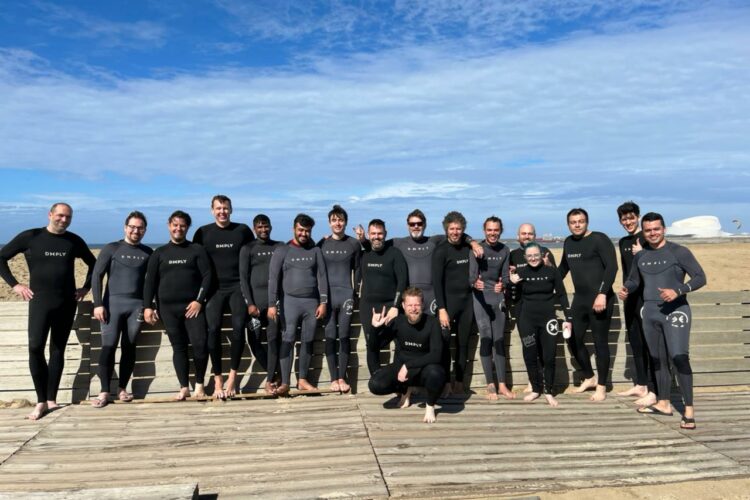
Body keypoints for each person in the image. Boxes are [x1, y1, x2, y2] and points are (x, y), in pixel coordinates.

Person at [0, 203, 96, 420]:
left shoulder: (74, 240)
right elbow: (1, 258)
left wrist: (86, 287)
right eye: (60, 215)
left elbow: (93, 263)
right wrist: (15, 285)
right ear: (50, 214)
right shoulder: (30, 236)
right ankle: (40, 400)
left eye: (68, 217)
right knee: (35, 347)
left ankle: (51, 399)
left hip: (66, 302)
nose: (64, 220)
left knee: (58, 349)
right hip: (40, 300)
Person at [619, 213, 706, 430]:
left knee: (679, 358)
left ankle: (689, 411)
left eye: (656, 229)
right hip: (650, 312)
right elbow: (634, 280)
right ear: (644, 231)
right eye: (648, 230)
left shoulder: (679, 251)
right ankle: (664, 403)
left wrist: (678, 290)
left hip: (676, 311)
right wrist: (626, 289)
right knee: (657, 359)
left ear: (664, 229)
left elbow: (700, 277)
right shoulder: (641, 255)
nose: (652, 233)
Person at [143, 211, 211, 401]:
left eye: (182, 225)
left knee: (199, 345)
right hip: (168, 309)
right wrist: (147, 306)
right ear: (168, 225)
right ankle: (183, 387)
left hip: (192, 308)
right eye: (175, 225)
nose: (178, 228)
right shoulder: (159, 253)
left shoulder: (196, 249)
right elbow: (150, 282)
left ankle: (199, 385)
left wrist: (199, 300)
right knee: (179, 347)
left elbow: (207, 276)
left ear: (187, 227)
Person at [193, 195, 256, 399]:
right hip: (214, 290)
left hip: (237, 288)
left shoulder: (243, 230)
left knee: (238, 329)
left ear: (231, 209)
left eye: (226, 208)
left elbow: (257, 254)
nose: (222, 211)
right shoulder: (203, 232)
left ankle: (232, 377)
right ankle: (218, 378)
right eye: (218, 208)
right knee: (213, 331)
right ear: (212, 210)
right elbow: (191, 257)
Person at [90, 211, 153, 407]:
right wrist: (98, 303)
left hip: (136, 306)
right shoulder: (112, 248)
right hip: (112, 305)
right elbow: (96, 276)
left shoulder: (148, 252)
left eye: (140, 228)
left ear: (144, 230)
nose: (136, 230)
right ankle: (104, 391)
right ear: (125, 227)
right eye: (132, 227)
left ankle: (122, 388)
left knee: (129, 347)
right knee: (108, 347)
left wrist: (151, 305)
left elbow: (152, 283)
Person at [558, 208, 618, 401]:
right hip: (580, 300)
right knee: (572, 337)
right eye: (573, 222)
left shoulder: (599, 239)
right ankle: (589, 377)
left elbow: (612, 267)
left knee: (600, 343)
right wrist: (545, 280)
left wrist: (602, 294)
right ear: (568, 224)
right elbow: (563, 269)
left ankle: (602, 386)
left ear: (587, 222)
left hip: (600, 300)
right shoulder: (568, 242)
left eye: (581, 221)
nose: (577, 224)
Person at [267, 214, 328, 395]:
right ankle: (285, 382)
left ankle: (302, 380)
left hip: (311, 303)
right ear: (294, 228)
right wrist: (272, 304)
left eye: (307, 231)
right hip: (289, 302)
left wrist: (323, 302)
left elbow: (322, 278)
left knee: (308, 341)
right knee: (288, 340)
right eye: (301, 230)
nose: (304, 233)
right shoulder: (282, 250)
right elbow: (273, 279)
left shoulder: (316, 251)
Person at [368, 287, 446, 423]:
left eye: (417, 304)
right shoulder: (398, 322)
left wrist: (408, 366)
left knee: (436, 373)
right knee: (375, 384)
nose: (413, 308)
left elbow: (436, 355)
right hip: (402, 373)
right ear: (403, 305)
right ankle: (405, 390)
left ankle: (430, 406)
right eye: (410, 305)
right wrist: (375, 328)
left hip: (424, 370)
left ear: (422, 305)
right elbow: (375, 347)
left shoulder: (432, 323)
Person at [384, 209, 481, 316]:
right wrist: (364, 240)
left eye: (419, 224)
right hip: (410, 297)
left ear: (424, 225)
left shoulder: (434, 241)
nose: (416, 226)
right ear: (408, 226)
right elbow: (377, 243)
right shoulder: (399, 242)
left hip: (431, 296)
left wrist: (473, 243)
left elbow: (456, 234)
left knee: (433, 329)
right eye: (412, 224)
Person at [510, 243, 572, 407]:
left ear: (542, 254)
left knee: (549, 356)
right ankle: (536, 389)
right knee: (530, 355)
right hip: (527, 321)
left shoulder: (552, 272)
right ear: (525, 258)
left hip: (548, 321)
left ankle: (549, 391)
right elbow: (513, 298)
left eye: (536, 255)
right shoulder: (521, 273)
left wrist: (568, 317)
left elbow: (562, 294)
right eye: (529, 256)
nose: (533, 258)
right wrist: (512, 283)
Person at [507, 223, 557, 394]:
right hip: (523, 309)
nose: (526, 236)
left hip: (543, 309)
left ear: (535, 235)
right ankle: (533, 381)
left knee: (545, 348)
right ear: (518, 236)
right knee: (529, 345)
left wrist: (549, 264)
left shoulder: (544, 253)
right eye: (523, 233)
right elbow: (508, 279)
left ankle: (544, 382)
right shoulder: (513, 255)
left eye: (530, 234)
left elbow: (555, 277)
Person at [469, 216, 514, 400]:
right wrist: (475, 283)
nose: (493, 233)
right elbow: (471, 276)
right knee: (486, 338)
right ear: (484, 230)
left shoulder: (505, 250)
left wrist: (503, 285)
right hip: (480, 299)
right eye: (489, 230)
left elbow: (505, 276)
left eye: (496, 230)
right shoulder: (478, 249)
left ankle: (502, 384)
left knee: (499, 340)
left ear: (500, 231)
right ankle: (490, 385)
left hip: (497, 298)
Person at [318, 205, 361, 393]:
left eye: (341, 220)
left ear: (346, 222)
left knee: (344, 337)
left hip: (346, 296)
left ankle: (342, 377)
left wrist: (356, 291)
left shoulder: (353, 244)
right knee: (330, 337)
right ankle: (333, 378)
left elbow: (358, 269)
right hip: (327, 297)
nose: (338, 223)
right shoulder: (322, 244)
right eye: (334, 220)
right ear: (329, 223)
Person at [615, 201, 655, 404]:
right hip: (629, 296)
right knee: (635, 341)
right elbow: (627, 270)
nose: (628, 222)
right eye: (624, 219)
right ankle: (640, 384)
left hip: (646, 297)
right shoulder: (623, 242)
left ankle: (653, 389)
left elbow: (655, 264)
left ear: (637, 217)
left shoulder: (647, 238)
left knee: (650, 342)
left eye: (631, 218)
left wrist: (642, 253)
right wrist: (624, 288)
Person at [239, 214, 282, 394]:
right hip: (255, 305)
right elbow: (243, 278)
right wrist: (250, 303)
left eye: (266, 226)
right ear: (254, 228)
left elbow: (301, 247)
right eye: (259, 227)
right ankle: (275, 373)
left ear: (271, 227)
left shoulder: (279, 247)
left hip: (274, 304)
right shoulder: (247, 248)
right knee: (254, 341)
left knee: (273, 341)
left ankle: (270, 380)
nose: (263, 230)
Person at [432, 211, 474, 395]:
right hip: (447, 305)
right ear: (446, 229)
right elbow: (437, 282)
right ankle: (445, 383)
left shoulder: (468, 248)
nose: (455, 232)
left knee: (463, 344)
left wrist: (472, 241)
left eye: (458, 228)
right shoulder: (441, 250)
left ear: (463, 229)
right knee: (444, 345)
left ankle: (459, 381)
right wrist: (442, 309)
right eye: (452, 228)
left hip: (467, 304)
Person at [359, 219, 408, 375]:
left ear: (385, 234)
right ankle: (376, 379)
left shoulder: (394, 253)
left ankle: (397, 379)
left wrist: (395, 306)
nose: (377, 237)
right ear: (368, 235)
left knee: (399, 343)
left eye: (380, 233)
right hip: (368, 307)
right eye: (373, 233)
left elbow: (402, 281)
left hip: (390, 306)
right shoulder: (365, 253)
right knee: (371, 344)